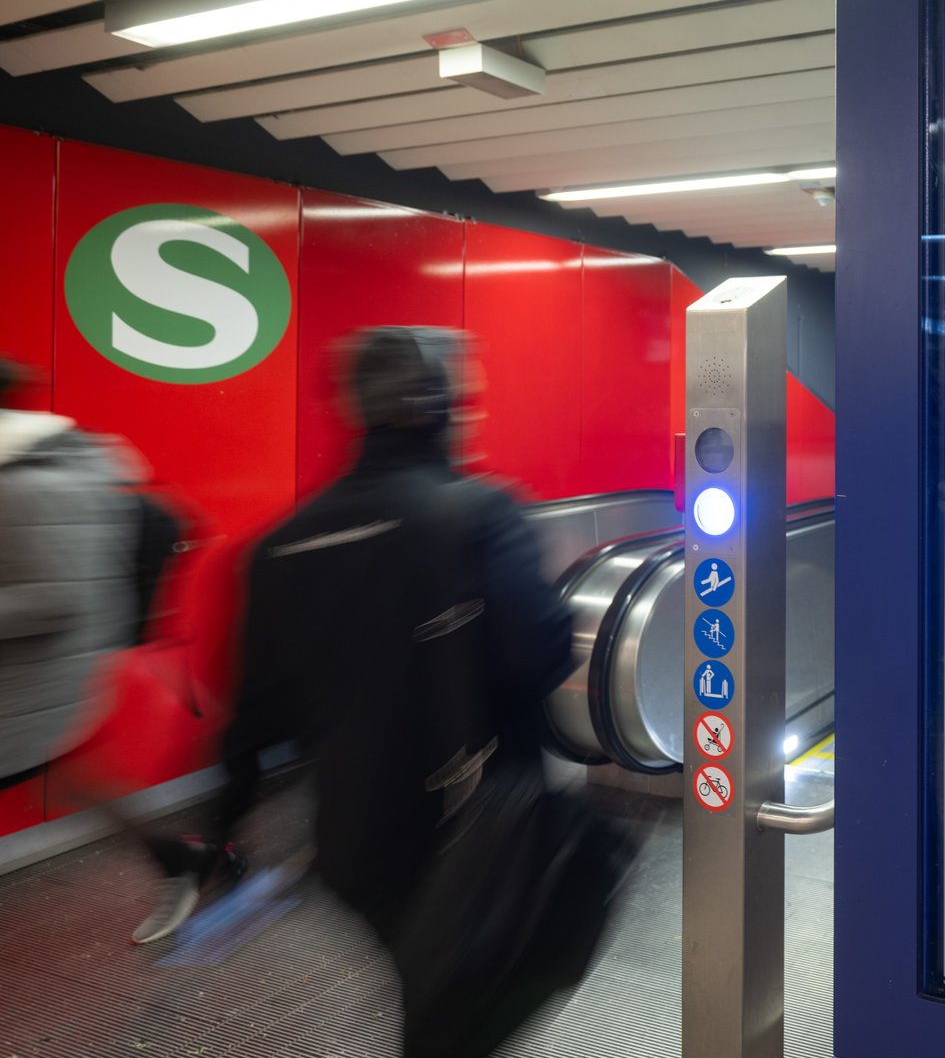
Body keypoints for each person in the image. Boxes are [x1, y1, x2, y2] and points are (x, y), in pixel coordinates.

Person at [145, 327, 628, 1054]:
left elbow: (254, 718)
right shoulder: (480, 513)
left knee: (431, 983)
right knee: (458, 1002)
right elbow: (537, 653)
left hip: (355, 838)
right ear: (438, 405)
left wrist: (224, 827)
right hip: (477, 822)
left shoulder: (277, 545)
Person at [0, 357, 138, 807]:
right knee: (80, 782)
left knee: (76, 778)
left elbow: (53, 599)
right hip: (36, 680)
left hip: (30, 679)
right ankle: (177, 857)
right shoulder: (29, 472)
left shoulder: (32, 483)